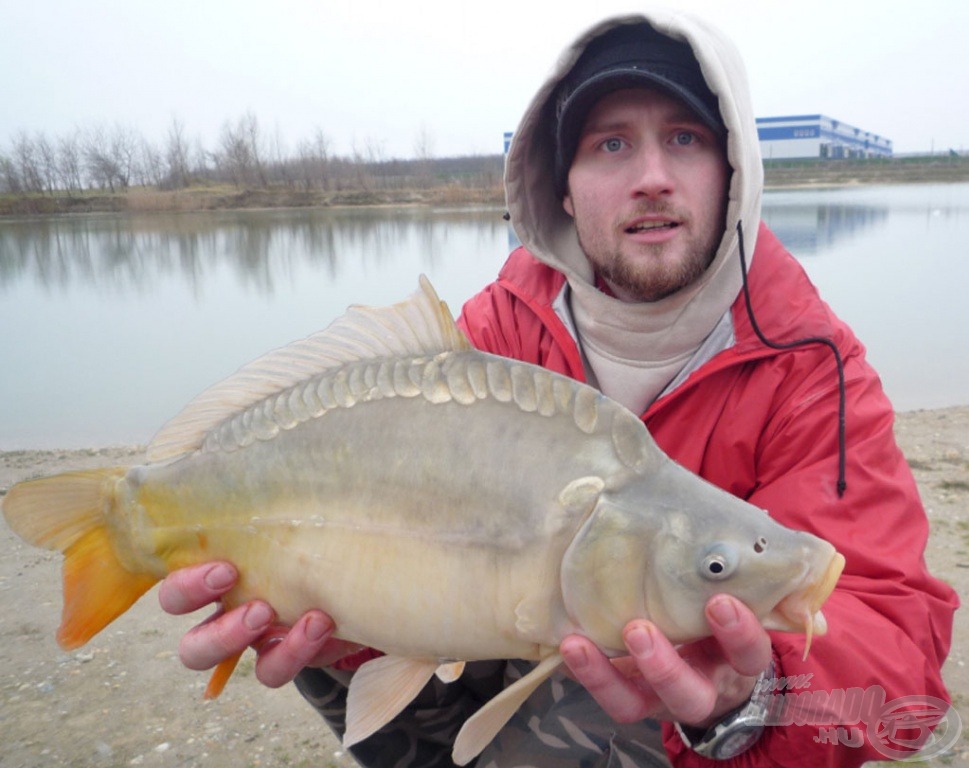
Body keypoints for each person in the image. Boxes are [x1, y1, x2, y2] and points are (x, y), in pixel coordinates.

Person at [158, 9, 958, 766]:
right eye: (610, 145)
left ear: (733, 171)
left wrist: (754, 697)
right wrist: (342, 633)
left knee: (607, 680)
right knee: (322, 648)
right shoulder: (489, 342)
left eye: (683, 139)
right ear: (564, 187)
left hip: (650, 690)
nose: (651, 177)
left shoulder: (812, 368)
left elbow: (891, 627)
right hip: (517, 629)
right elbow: (424, 559)